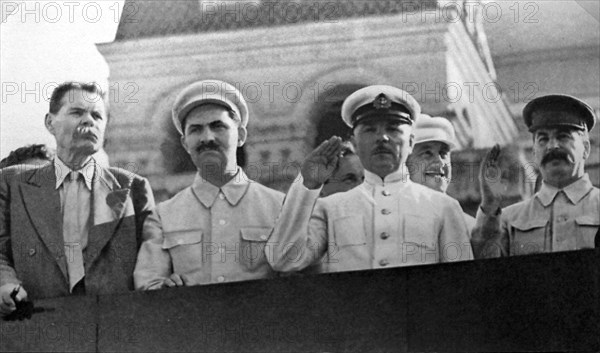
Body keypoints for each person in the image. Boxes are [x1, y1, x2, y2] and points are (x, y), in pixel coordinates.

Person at [267, 85, 473, 273]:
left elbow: (461, 284)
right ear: (355, 144)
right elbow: (283, 259)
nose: (382, 137)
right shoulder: (330, 209)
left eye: (392, 129)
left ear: (410, 143)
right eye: (370, 130)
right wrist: (306, 185)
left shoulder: (443, 207)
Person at [0, 82, 155, 317]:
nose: (88, 121)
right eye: (77, 112)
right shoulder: (12, 182)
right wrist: (5, 284)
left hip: (112, 325)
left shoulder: (132, 187)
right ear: (50, 123)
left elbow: (152, 256)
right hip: (34, 322)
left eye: (96, 115)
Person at [134, 80, 284, 289]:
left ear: (240, 136)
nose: (207, 138)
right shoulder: (163, 216)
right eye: (196, 130)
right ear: (185, 144)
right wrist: (165, 290)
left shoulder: (281, 207)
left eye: (218, 126)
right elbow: (148, 284)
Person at [472, 94, 599, 258]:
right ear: (534, 152)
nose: (552, 146)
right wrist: (489, 205)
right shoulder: (508, 219)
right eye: (543, 139)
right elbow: (482, 270)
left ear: (586, 148)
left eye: (563, 136)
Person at [406, 114, 475, 230]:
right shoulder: (390, 220)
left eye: (443, 154)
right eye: (427, 153)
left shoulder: (468, 227)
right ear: (405, 163)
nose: (440, 162)